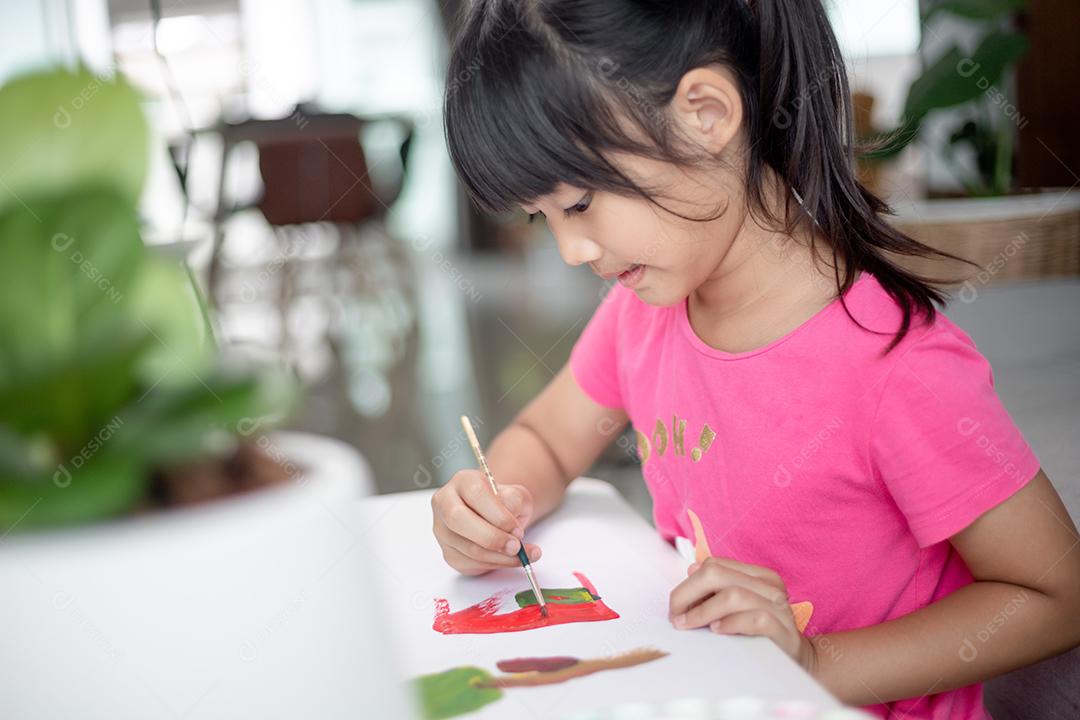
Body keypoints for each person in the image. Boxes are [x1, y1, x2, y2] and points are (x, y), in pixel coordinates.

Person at [430, 1, 1080, 717]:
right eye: (539, 215)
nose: (570, 250)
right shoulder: (640, 316)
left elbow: (1056, 595)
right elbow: (549, 441)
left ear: (705, 114)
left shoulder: (892, 363)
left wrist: (811, 662)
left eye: (580, 203)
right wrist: (495, 503)